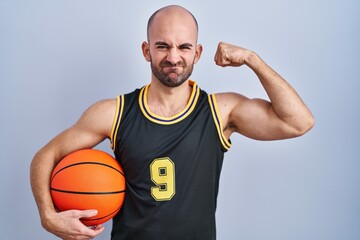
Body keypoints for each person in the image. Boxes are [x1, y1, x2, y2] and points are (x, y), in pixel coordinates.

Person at [30, 4, 314, 240]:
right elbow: (46, 155)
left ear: (198, 53)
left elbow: (298, 123)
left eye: (184, 47)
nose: (173, 57)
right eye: (162, 46)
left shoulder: (220, 111)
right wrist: (47, 216)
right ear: (146, 50)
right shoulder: (114, 113)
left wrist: (254, 60)